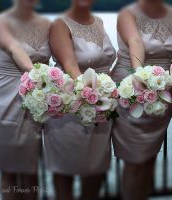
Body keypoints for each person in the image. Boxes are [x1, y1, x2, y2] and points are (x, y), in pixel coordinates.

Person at [43, 0, 116, 199]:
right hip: (71, 107)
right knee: (65, 168)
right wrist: (93, 96)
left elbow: (107, 64)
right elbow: (70, 66)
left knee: (96, 168)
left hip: (102, 106)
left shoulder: (99, 22)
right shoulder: (60, 24)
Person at [110, 0, 172, 199]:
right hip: (132, 89)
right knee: (135, 162)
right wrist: (141, 80)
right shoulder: (128, 13)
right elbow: (136, 42)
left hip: (163, 91)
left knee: (148, 159)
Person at [0, 0, 51, 199]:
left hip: (35, 103)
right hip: (5, 101)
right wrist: (37, 75)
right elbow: (14, 47)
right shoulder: (0, 22)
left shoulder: (47, 23)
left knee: (30, 169)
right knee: (9, 170)